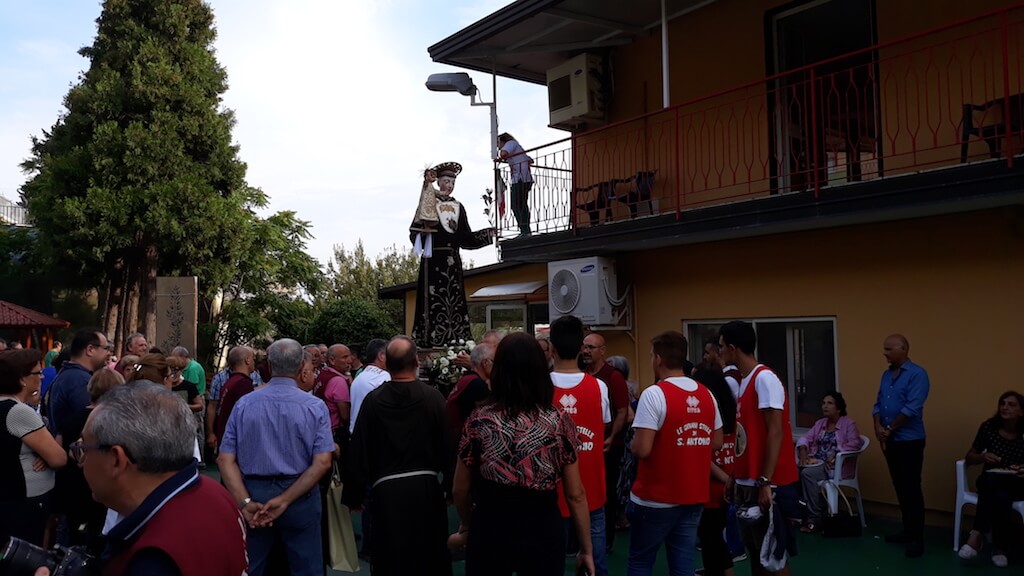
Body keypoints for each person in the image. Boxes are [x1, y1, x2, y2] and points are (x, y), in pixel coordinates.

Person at [450, 332, 595, 576]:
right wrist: (587, 549)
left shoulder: (479, 419)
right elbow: (575, 493)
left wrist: (467, 524)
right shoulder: (558, 421)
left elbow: (459, 489)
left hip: (491, 524)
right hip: (542, 526)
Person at [71, 382, 248, 575]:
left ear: (116, 459)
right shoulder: (215, 492)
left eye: (84, 448)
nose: (81, 459)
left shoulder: (152, 558)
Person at [217, 338, 334, 576]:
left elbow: (224, 459)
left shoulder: (244, 404)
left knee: (252, 565)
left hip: (254, 493)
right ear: (302, 365)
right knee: (306, 567)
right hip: (300, 493)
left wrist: (245, 502)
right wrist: (286, 499)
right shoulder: (314, 406)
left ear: (268, 365)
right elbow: (322, 461)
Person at [345, 336, 453, 575]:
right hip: (425, 489)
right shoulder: (433, 398)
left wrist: (355, 494)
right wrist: (450, 485)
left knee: (391, 557)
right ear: (416, 361)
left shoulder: (373, 401)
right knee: (429, 554)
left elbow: (360, 448)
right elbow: (448, 444)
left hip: (387, 493)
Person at [628, 331, 722, 576]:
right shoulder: (706, 394)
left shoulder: (654, 394)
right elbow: (717, 442)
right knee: (683, 563)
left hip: (654, 498)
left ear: (658, 359)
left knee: (641, 561)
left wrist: (633, 444)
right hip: (693, 495)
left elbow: (643, 449)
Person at [718, 320, 799, 576]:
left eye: (720, 347)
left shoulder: (764, 379)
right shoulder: (745, 381)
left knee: (772, 556)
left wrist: (765, 480)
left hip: (766, 484)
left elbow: (776, 431)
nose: (718, 353)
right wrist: (734, 475)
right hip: (747, 482)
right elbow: (747, 437)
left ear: (732, 348)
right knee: (755, 549)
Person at [549, 315, 611, 576]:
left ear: (551, 348)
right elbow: (603, 424)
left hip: (550, 490)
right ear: (580, 349)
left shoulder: (540, 387)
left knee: (550, 563)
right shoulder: (599, 387)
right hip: (591, 488)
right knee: (595, 563)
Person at [409, 162, 496, 347]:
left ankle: (457, 338)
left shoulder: (458, 206)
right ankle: (431, 338)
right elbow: (414, 233)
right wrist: (424, 234)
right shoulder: (429, 202)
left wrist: (488, 234)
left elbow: (466, 238)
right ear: (439, 182)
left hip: (453, 262)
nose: (449, 186)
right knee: (434, 300)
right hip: (433, 261)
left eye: (452, 183)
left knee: (455, 300)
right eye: (446, 181)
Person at [0, 349, 67, 546]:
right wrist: (48, 453)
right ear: (22, 379)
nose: (42, 376)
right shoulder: (18, 412)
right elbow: (59, 458)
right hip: (25, 498)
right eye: (37, 373)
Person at [872, 334, 930, 558]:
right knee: (899, 486)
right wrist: (878, 427)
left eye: (888, 349)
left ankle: (917, 538)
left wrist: (890, 429)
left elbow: (911, 408)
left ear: (903, 349)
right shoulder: (886, 375)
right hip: (890, 439)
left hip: (910, 441)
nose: (884, 353)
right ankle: (907, 530)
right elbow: (878, 404)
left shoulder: (917, 374)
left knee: (912, 488)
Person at [957, 391, 1024, 568]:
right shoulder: (988, 428)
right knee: (997, 489)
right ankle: (1000, 548)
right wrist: (982, 458)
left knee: (1000, 489)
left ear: (1021, 411)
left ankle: (977, 534)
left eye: (1011, 404)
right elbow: (970, 457)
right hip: (991, 481)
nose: (1005, 407)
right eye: (1002, 403)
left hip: (1017, 483)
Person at [692, 362, 739, 576]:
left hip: (712, 486)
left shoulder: (708, 414)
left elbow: (703, 457)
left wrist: (724, 479)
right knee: (714, 535)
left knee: (710, 536)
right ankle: (714, 570)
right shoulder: (732, 415)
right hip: (727, 485)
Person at [795, 391, 862, 533]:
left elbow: (856, 443)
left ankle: (814, 518)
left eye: (829, 403)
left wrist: (837, 451)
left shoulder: (849, 424)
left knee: (807, 474)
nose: (825, 406)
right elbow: (805, 437)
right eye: (824, 403)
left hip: (835, 467)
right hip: (817, 462)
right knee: (793, 471)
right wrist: (802, 448)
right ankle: (798, 513)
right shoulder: (820, 423)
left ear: (838, 408)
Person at [497, 132, 535, 236]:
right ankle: (526, 229)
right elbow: (530, 160)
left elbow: (503, 153)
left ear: (502, 141)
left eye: (498, 143)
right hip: (525, 178)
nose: (497, 146)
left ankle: (524, 230)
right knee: (522, 204)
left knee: (516, 205)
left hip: (520, 179)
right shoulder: (516, 146)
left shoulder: (510, 143)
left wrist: (501, 154)